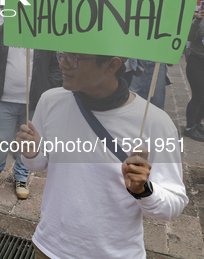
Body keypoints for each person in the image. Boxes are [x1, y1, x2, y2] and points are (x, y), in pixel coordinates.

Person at [16, 52, 187, 258]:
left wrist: (143, 190)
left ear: (112, 65)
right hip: (49, 247)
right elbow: (38, 164)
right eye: (62, 55)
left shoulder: (155, 123)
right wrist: (32, 152)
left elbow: (174, 203)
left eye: (73, 59)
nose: (62, 63)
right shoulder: (51, 100)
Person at [0, 25, 61, 199]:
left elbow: (56, 66)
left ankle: (21, 176)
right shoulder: (1, 32)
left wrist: (47, 88)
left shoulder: (45, 32)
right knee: (0, 139)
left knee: (27, 141)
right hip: (4, 100)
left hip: (33, 102)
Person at [184, 7, 204, 141]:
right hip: (196, 60)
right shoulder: (199, 20)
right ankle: (189, 128)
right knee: (199, 94)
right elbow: (190, 37)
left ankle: (197, 123)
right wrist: (197, 20)